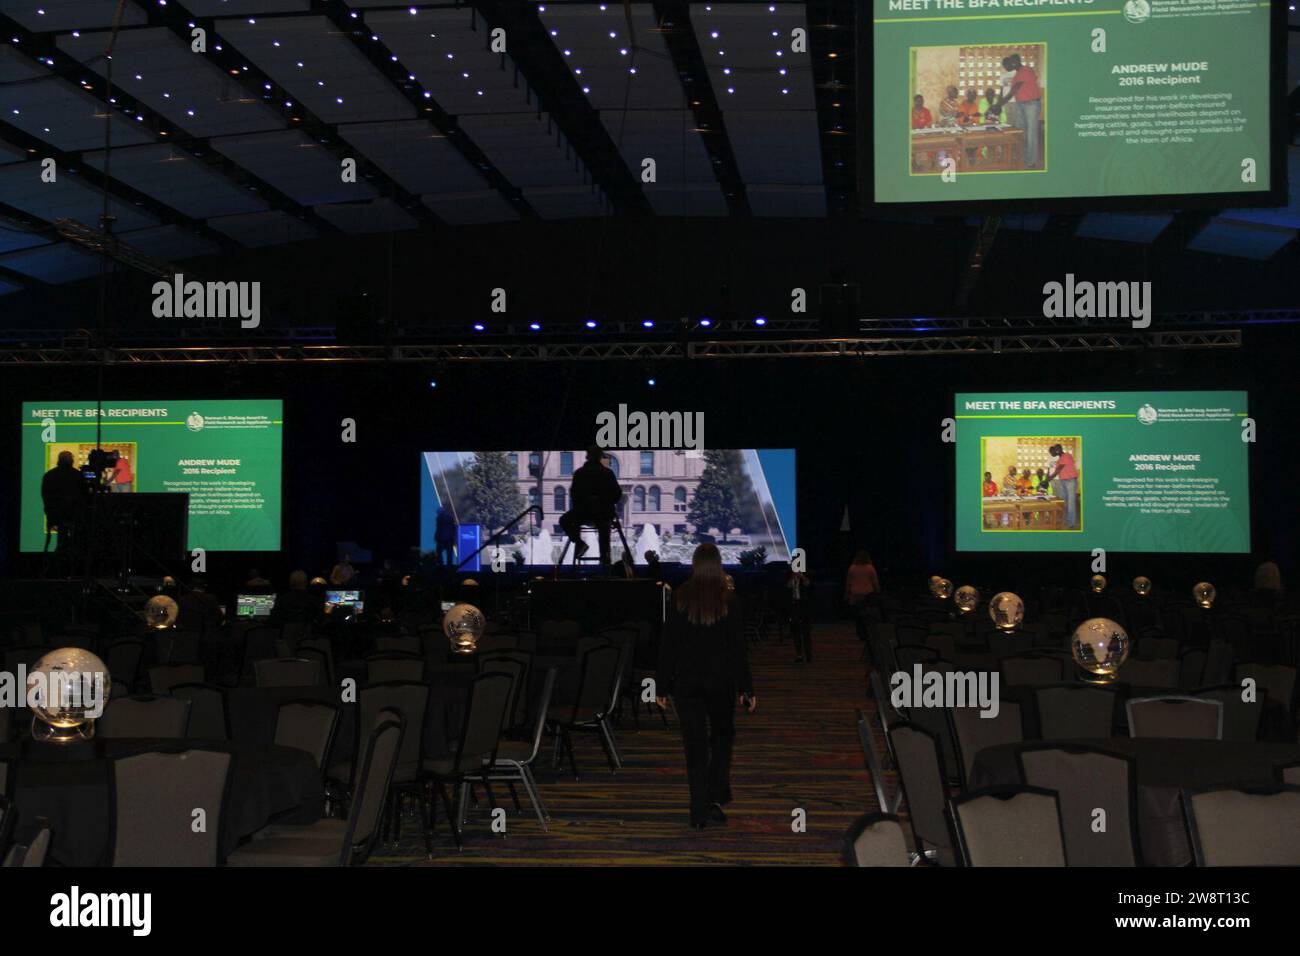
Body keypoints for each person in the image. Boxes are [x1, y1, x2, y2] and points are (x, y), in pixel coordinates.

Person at [656, 542, 755, 830]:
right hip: (721, 684)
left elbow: (668, 645)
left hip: (687, 685)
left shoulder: (679, 598)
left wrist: (661, 686)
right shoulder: (731, 601)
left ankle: (698, 810)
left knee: (694, 747)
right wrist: (746, 688)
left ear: (695, 565)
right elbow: (738, 650)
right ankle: (715, 797)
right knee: (722, 740)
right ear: (719, 565)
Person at [559, 446, 623, 569]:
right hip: (603, 514)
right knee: (604, 529)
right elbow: (617, 495)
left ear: (587, 456)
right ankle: (605, 561)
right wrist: (604, 502)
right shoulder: (607, 473)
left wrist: (585, 505)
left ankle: (579, 543)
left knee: (563, 520)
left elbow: (574, 496)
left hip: (583, 513)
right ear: (599, 457)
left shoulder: (579, 473)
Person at [41, 450, 88, 560]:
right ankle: (73, 555)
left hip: (55, 515)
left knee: (63, 530)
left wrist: (50, 513)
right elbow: (84, 496)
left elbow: (45, 496)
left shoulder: (49, 475)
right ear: (71, 461)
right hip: (74, 515)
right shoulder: (77, 475)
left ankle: (61, 552)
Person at [1003, 53, 1042, 169]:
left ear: (1015, 62)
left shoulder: (1026, 70)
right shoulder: (1017, 74)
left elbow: (1015, 89)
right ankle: (1025, 157)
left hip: (1031, 105)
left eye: (1011, 62)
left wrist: (1000, 103)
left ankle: (1031, 161)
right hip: (1021, 105)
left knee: (1031, 134)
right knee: (1022, 132)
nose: (1009, 65)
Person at [844, 550, 882, 641]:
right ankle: (868, 633)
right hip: (867, 595)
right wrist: (878, 591)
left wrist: (847, 594)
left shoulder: (852, 568)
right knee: (868, 616)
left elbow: (848, 583)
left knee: (858, 617)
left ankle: (860, 633)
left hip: (855, 595)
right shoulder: (870, 568)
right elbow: (875, 582)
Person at [1044, 443, 1079, 528]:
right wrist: (1047, 478)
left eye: (1055, 450)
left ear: (1058, 450)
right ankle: (1066, 520)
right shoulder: (1059, 459)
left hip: (1070, 481)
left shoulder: (1066, 456)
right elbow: (1054, 470)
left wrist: (1047, 480)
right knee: (1064, 502)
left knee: (1071, 503)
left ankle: (1071, 523)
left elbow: (1058, 470)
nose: (1053, 452)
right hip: (1063, 481)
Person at [786, 567, 813, 663]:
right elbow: (787, 587)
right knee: (796, 630)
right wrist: (792, 578)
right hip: (794, 605)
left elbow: (808, 585)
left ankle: (808, 653)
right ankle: (799, 654)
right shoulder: (790, 575)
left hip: (804, 605)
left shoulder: (806, 573)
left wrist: (802, 576)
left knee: (806, 631)